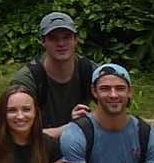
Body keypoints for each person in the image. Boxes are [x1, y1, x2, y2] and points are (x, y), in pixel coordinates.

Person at [10, 12, 94, 141]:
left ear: (75, 40)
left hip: (80, 145)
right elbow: (17, 134)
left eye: (67, 37)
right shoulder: (27, 79)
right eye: (53, 38)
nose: (61, 43)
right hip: (39, 148)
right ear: (43, 41)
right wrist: (73, 127)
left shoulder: (90, 71)